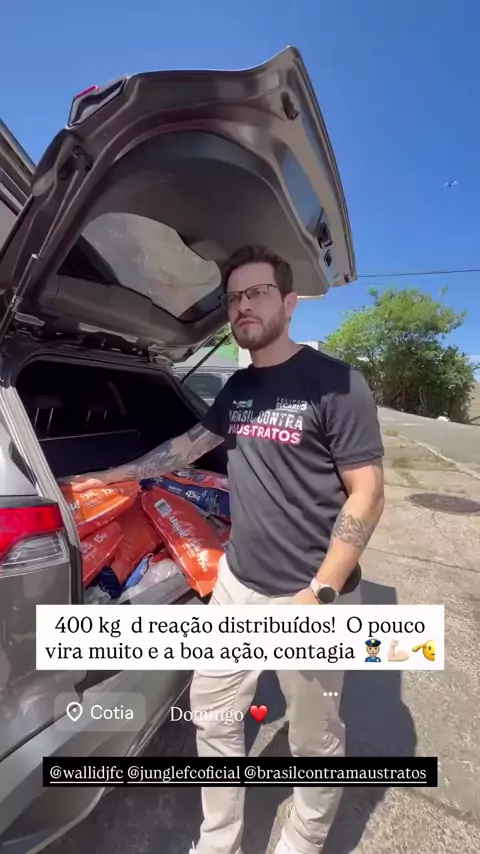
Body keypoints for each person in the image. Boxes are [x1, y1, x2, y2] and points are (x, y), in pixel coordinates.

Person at [70, 245, 385, 854]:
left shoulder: (337, 384)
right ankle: (219, 842)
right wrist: (114, 475)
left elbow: (368, 494)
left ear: (288, 303)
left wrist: (320, 592)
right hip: (237, 586)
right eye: (235, 297)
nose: (243, 306)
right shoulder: (239, 387)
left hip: (312, 596)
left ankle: (303, 841)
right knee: (213, 716)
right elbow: (188, 446)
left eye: (257, 293)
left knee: (315, 739)